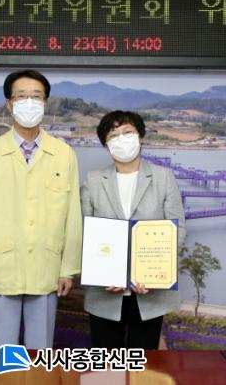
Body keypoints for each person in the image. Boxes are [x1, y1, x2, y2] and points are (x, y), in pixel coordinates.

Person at [0, 69, 82, 349]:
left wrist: (68, 269)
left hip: (47, 269)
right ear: (9, 103)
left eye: (36, 96)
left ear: (45, 103)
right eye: (22, 96)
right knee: (2, 354)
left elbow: (72, 216)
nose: (29, 102)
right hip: (1, 270)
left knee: (40, 353)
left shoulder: (64, 154)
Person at [80, 110, 186, 349]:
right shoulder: (94, 180)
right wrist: (103, 274)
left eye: (127, 132)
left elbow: (177, 229)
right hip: (104, 294)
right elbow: (85, 232)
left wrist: (154, 273)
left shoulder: (163, 177)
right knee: (106, 365)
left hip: (150, 293)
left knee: (144, 364)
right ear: (106, 144)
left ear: (141, 137)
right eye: (113, 135)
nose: (121, 139)